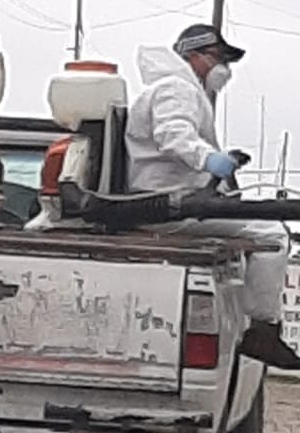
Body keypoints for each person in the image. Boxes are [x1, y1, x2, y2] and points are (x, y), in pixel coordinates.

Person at [126, 22, 300, 369]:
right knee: (272, 236)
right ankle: (261, 329)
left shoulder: (181, 89)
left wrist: (217, 163)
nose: (224, 68)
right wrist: (209, 159)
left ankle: (256, 326)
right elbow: (173, 135)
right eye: (218, 58)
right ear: (192, 55)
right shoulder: (176, 88)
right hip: (168, 206)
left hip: (175, 201)